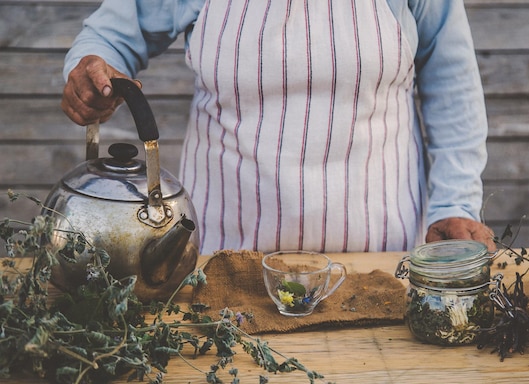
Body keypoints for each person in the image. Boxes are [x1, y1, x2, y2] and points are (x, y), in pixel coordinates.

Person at [61, 0, 496, 255]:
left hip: (382, 256)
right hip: (220, 257)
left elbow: (452, 81)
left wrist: (454, 204)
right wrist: (94, 71)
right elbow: (115, 33)